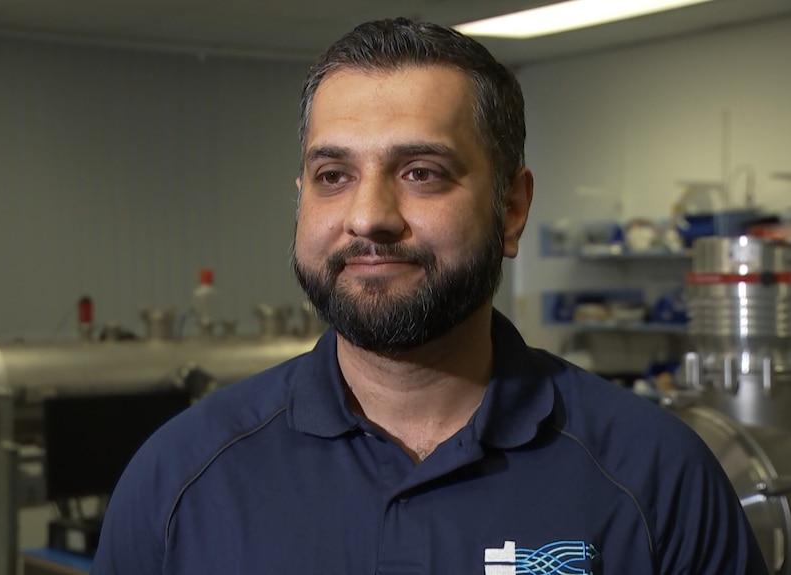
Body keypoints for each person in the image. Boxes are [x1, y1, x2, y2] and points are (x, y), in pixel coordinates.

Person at [91, 17, 768, 575]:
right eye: (333, 174)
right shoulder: (179, 480)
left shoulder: (655, 476)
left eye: (421, 172)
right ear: (301, 201)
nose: (368, 216)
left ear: (511, 208)